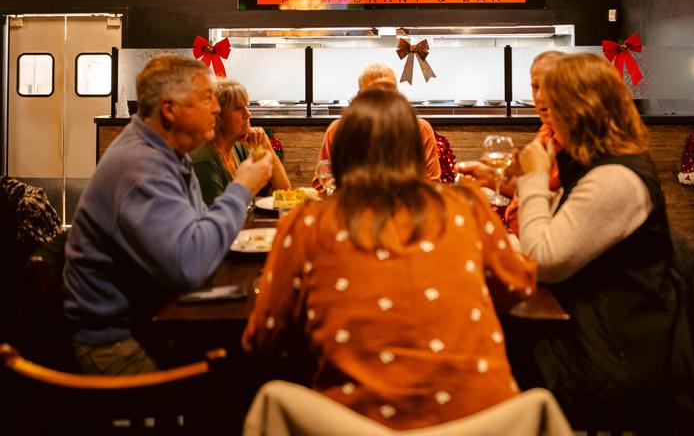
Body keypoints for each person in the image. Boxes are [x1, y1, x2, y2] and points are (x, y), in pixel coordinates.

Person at [242, 89, 537, 430]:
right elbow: (517, 284)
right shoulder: (465, 205)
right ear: (416, 150)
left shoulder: (307, 222)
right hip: (484, 423)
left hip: (348, 424)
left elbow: (265, 337)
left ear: (341, 153)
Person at [63, 55, 274, 375]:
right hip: (117, 343)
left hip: (154, 320)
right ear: (169, 110)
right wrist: (241, 188)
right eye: (206, 98)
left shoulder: (169, 155)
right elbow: (190, 265)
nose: (216, 109)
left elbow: (197, 232)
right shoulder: (141, 166)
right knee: (248, 375)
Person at [513, 53, 675, 425]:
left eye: (553, 107)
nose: (546, 116)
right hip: (596, 326)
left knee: (485, 353)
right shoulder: (598, 166)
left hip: (612, 352)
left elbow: (543, 261)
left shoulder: (615, 179)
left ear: (578, 112)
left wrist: (533, 177)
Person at [456, 51, 565, 232]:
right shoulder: (547, 129)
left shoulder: (576, 145)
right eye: (535, 87)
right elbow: (531, 189)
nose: (539, 97)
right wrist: (489, 178)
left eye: (550, 86)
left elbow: (548, 201)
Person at [314, 63, 441, 187]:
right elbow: (321, 185)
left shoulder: (419, 129)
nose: (381, 99)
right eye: (373, 93)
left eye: (388, 91)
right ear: (359, 96)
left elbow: (432, 184)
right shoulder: (338, 129)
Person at [191, 78, 291, 206]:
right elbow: (221, 216)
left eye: (246, 106)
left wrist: (267, 146)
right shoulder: (204, 162)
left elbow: (284, 192)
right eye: (238, 108)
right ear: (217, 116)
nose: (248, 113)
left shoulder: (238, 147)